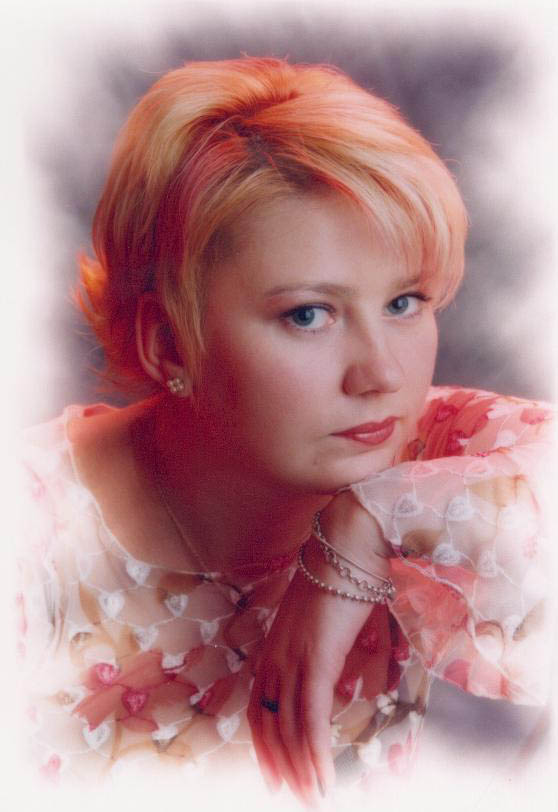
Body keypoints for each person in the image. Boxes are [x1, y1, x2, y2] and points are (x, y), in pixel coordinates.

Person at [17, 56, 554, 803]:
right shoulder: (33, 526)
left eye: (404, 302)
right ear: (168, 344)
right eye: (308, 314)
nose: (380, 375)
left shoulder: (420, 454)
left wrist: (365, 529)